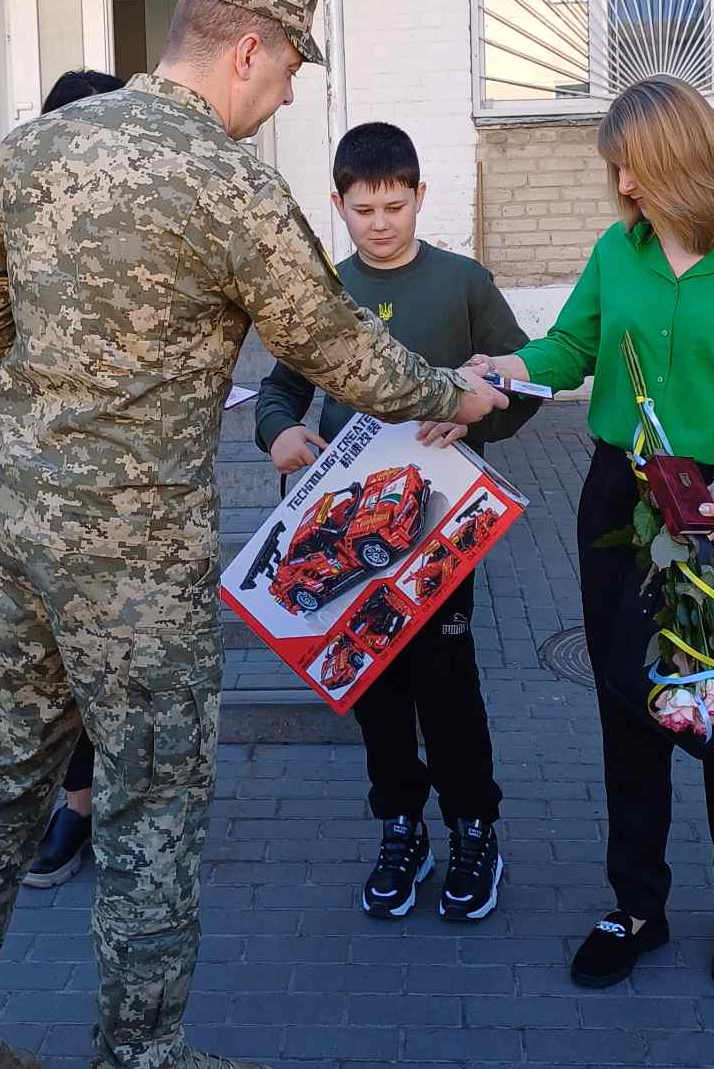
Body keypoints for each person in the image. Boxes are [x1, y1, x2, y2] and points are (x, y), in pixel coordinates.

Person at [0, 0, 508, 1069]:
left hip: (21, 527)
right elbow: (337, 348)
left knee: (5, 772)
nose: (291, 92)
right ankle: (141, 1056)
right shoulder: (229, 183)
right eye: (292, 68)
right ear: (247, 48)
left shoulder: (38, 144)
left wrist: (49, 391)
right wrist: (455, 391)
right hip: (137, 553)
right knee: (153, 801)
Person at [477, 76, 714, 994]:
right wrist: (506, 368)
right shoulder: (618, 250)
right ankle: (636, 906)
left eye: (632, 166)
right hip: (622, 508)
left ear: (680, 162)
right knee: (630, 701)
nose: (622, 185)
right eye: (617, 170)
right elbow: (570, 349)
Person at [254, 122, 539, 923]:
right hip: (350, 526)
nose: (380, 224)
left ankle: (474, 827)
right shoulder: (325, 293)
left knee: (447, 684)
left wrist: (475, 415)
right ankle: (401, 826)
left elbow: (525, 387)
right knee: (374, 686)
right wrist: (279, 433)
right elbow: (280, 390)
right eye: (364, 209)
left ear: (419, 197)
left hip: (441, 528)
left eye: (395, 206)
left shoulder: (464, 284)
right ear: (337, 204)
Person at [0, 66, 123, 892]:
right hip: (35, 490)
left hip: (122, 499)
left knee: (110, 660)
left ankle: (96, 805)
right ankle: (67, 804)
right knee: (37, 662)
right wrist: (19, 376)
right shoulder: (19, 219)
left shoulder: (136, 225)